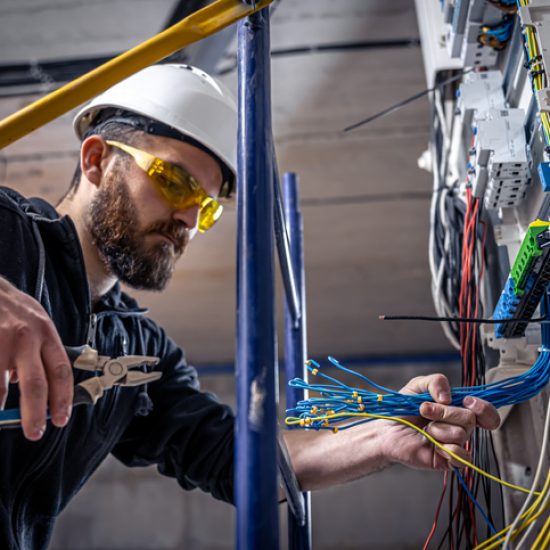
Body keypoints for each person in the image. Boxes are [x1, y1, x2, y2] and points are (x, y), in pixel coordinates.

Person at [0, 64, 500, 549]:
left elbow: (237, 462)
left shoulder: (139, 353)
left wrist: (383, 436)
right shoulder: (8, 234)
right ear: (96, 160)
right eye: (174, 181)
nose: (190, 221)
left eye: (208, 207)